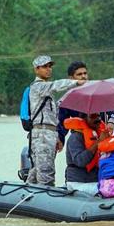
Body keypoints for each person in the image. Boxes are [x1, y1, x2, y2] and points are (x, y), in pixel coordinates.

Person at [26, 55, 86, 186]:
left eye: (50, 66)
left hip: (48, 133)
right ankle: (42, 200)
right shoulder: (38, 87)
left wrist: (58, 136)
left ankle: (26, 195)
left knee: (37, 171)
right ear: (36, 70)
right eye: (45, 67)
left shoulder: (47, 91)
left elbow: (55, 116)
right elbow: (56, 85)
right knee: (46, 173)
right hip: (42, 133)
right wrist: (76, 82)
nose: (49, 69)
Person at [57, 61, 114, 150]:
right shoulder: (67, 99)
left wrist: (111, 121)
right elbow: (62, 122)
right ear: (71, 78)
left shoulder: (99, 91)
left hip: (102, 136)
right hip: (81, 139)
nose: (83, 76)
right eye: (79, 74)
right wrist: (60, 139)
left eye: (85, 73)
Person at [64, 113, 109, 183]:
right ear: (85, 119)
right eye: (93, 116)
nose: (98, 119)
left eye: (99, 116)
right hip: (78, 181)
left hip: (95, 178)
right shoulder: (75, 137)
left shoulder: (100, 134)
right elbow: (80, 161)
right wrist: (99, 142)